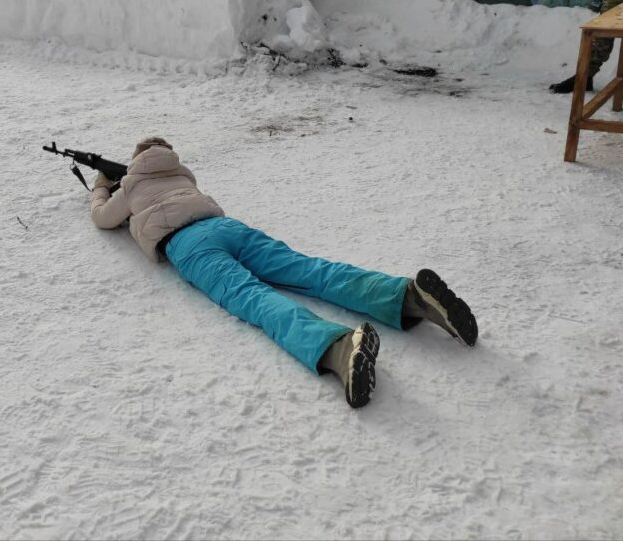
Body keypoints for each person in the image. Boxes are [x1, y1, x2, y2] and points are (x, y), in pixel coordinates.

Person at [90, 137, 477, 409]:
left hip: (189, 245)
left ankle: (338, 350)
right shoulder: (183, 174)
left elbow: (104, 220)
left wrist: (101, 186)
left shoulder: (130, 184)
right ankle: (408, 297)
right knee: (310, 271)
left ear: (135, 160)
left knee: (255, 299)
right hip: (229, 228)